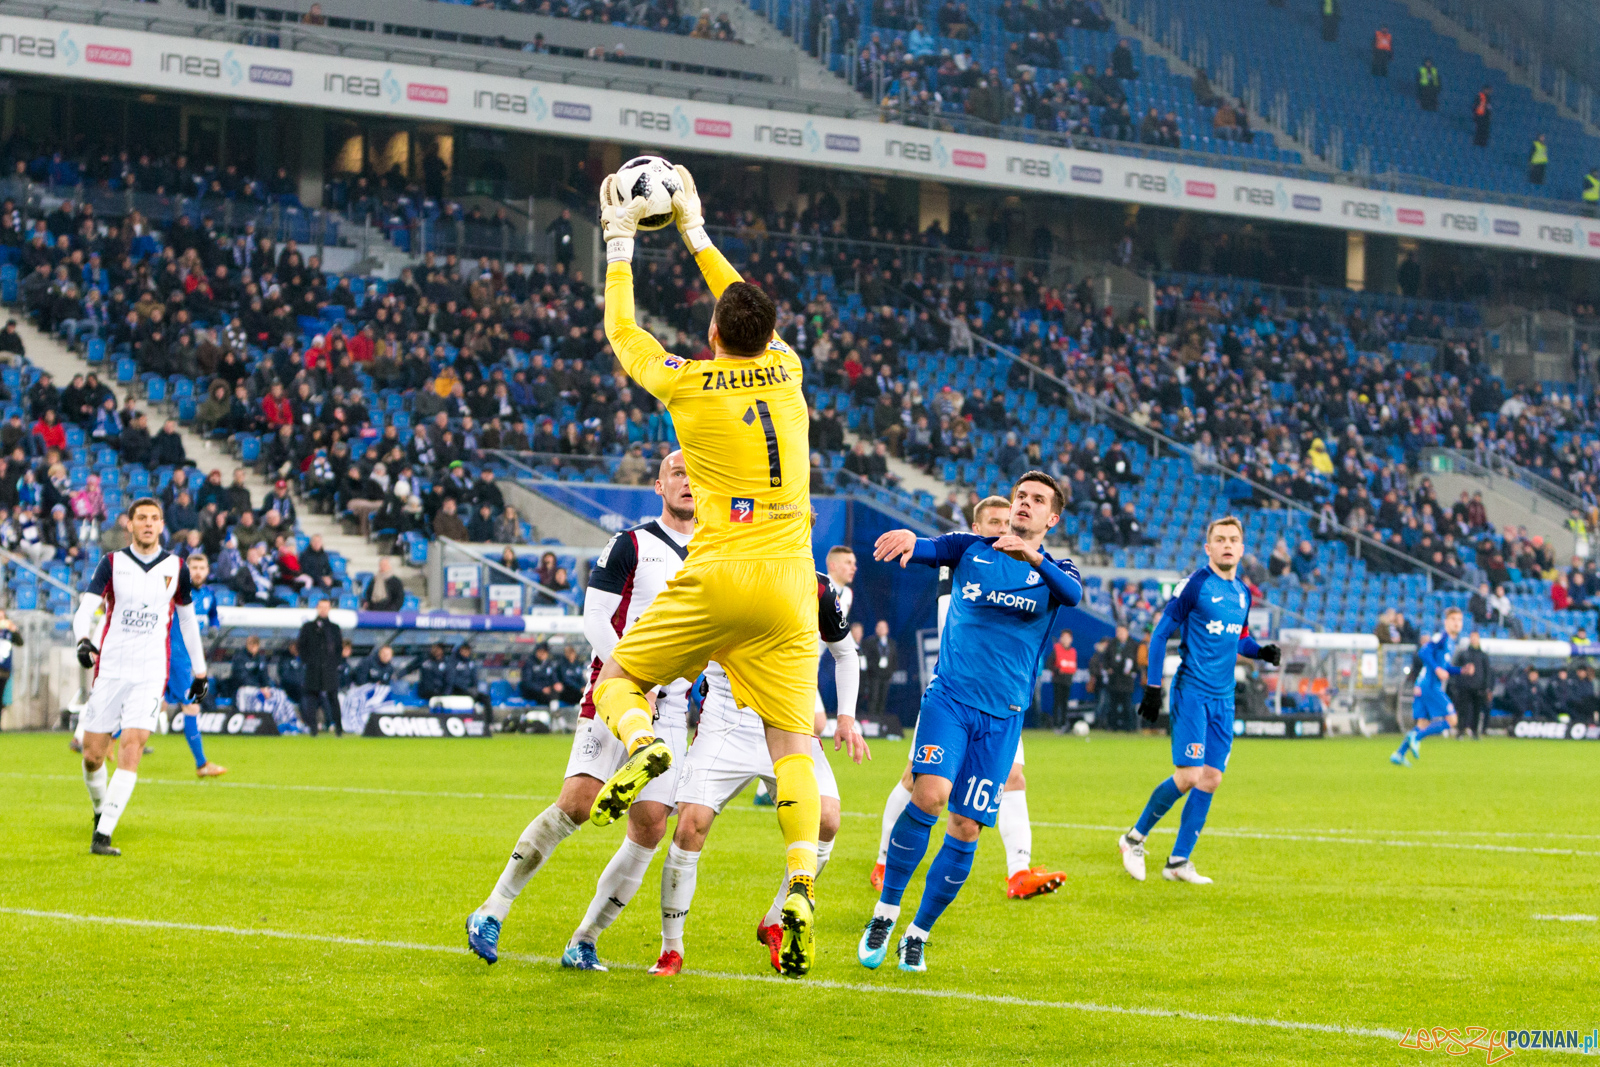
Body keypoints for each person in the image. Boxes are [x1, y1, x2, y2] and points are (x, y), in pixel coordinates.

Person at [590, 163, 823, 976]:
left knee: (619, 677)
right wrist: (698, 233)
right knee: (791, 737)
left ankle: (646, 745)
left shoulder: (688, 385)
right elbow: (745, 304)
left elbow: (626, 337)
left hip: (721, 567)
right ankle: (798, 879)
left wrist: (621, 245)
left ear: (715, 334)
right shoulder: (789, 370)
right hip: (792, 582)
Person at [466, 451, 697, 971]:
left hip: (673, 705)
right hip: (616, 691)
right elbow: (595, 618)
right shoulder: (631, 544)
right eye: (678, 473)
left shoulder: (716, 553)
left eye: (697, 474)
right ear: (659, 485)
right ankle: (492, 909)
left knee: (650, 826)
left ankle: (585, 939)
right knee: (578, 803)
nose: (688, 482)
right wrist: (633, 675)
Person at [858, 471, 1083, 974]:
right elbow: (932, 547)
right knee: (930, 795)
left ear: (1053, 517)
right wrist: (909, 542)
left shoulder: (1054, 571)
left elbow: (1071, 594)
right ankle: (885, 912)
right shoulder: (971, 548)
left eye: (1036, 500)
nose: (1024, 504)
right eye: (1021, 495)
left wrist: (1034, 558)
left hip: (1002, 718)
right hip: (951, 701)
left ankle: (917, 933)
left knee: (965, 827)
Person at [655, 566, 868, 976]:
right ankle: (671, 948)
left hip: (790, 723)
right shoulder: (721, 574)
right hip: (726, 723)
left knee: (826, 819)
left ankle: (774, 919)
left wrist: (846, 717)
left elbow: (845, 653)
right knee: (689, 826)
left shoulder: (816, 585)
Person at [1117, 517, 1281, 886]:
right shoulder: (1194, 585)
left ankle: (1178, 862)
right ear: (1208, 548)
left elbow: (1239, 638)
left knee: (1211, 778)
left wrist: (1261, 651)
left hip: (1224, 698)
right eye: (1219, 539)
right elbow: (1159, 635)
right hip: (1192, 691)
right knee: (1189, 775)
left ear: (1241, 549)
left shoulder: (1242, 592)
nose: (1227, 544)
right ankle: (1133, 839)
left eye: (1233, 540)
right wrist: (1152, 688)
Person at [73, 497, 208, 856]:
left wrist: (200, 669)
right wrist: (82, 640)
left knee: (132, 747)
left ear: (162, 525)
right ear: (129, 525)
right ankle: (101, 810)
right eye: (141, 518)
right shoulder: (112, 563)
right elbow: (86, 607)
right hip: (111, 669)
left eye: (154, 518)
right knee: (92, 757)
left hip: (150, 672)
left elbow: (187, 619)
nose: (148, 524)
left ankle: (103, 836)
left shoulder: (176, 567)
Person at [165, 552, 226, 778]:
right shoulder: (176, 591)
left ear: (208, 571)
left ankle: (101, 739)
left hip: (185, 659)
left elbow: (214, 615)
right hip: (174, 657)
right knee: (191, 707)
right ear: (186, 569)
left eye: (202, 568)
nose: (198, 572)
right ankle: (202, 764)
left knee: (158, 705)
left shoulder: (209, 595)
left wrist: (214, 626)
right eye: (194, 567)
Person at [1390, 607, 1472, 766]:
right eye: (1453, 619)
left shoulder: (1450, 642)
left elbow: (1445, 667)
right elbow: (1423, 652)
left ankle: (1399, 754)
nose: (1457, 623)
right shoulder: (1441, 637)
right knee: (1452, 720)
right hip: (1430, 686)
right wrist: (1437, 669)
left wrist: (1461, 670)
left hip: (1424, 684)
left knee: (1423, 724)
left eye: (1459, 620)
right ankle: (1416, 738)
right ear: (1446, 622)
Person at [297, 598, 345, 737]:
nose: (323, 609)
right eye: (321, 607)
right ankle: (313, 729)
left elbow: (338, 648)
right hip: (313, 669)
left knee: (333, 698)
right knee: (311, 698)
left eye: (326, 607)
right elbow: (302, 646)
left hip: (329, 669)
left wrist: (334, 663)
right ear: (317, 608)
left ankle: (339, 729)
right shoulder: (308, 627)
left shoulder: (334, 628)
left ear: (330, 609)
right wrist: (308, 662)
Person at [1452, 631, 1491, 739]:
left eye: (1476, 638)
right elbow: (1457, 669)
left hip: (1478, 688)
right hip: (1465, 687)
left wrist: (1486, 687)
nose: (1474, 640)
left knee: (1476, 711)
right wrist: (1458, 683)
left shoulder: (1483, 656)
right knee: (1463, 710)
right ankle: (1460, 731)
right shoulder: (1464, 654)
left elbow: (1487, 672)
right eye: (1472, 638)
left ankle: (1474, 731)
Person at [1106, 623, 1141, 731]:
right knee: (1113, 704)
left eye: (1122, 632)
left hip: (1127, 680)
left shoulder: (1133, 645)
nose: (1119, 634)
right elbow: (1106, 659)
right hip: (1114, 679)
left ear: (1127, 632)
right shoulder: (1112, 644)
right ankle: (1113, 726)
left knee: (1127, 704)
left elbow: (1137, 661)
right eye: (1118, 632)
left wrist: (1133, 671)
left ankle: (1129, 727)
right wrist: (1108, 668)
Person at [861, 619, 897, 723]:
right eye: (879, 627)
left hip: (886, 675)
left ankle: (880, 721)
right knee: (874, 697)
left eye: (883, 628)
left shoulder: (891, 643)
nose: (881, 630)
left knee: (883, 698)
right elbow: (868, 658)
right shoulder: (870, 642)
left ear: (887, 630)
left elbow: (894, 659)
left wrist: (890, 671)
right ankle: (872, 720)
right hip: (874, 675)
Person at [1049, 629, 1076, 729]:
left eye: (1067, 637)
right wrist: (1057, 670)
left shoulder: (1072, 651)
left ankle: (1064, 723)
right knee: (1057, 702)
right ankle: (1056, 724)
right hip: (1058, 680)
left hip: (1068, 681)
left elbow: (1072, 666)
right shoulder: (1056, 649)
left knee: (1065, 703)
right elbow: (1049, 663)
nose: (1065, 640)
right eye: (1063, 637)